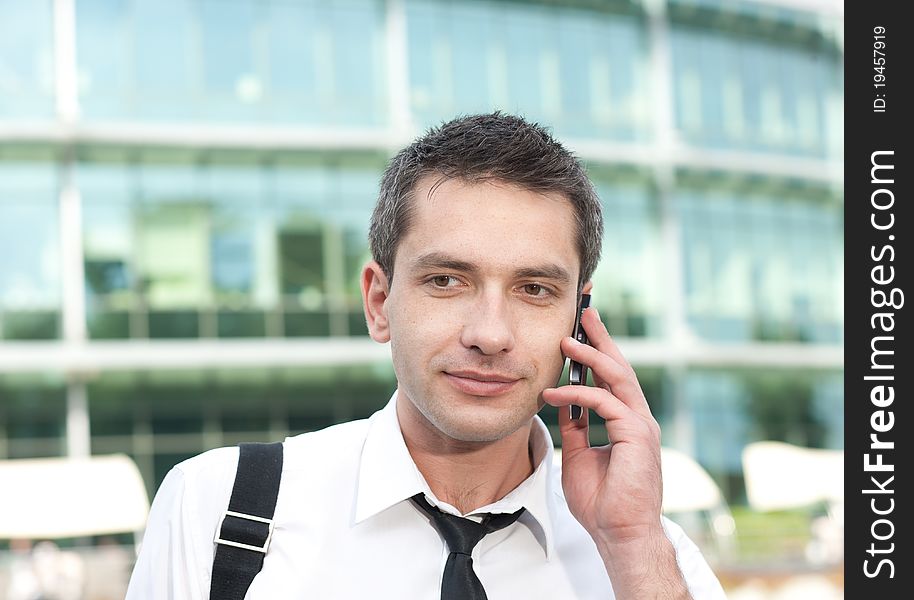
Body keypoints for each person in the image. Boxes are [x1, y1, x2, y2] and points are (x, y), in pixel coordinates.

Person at [125, 113, 727, 599]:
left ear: (579, 315)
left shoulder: (652, 559)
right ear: (380, 302)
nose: (490, 334)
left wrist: (631, 550)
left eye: (534, 289)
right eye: (446, 280)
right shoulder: (220, 508)